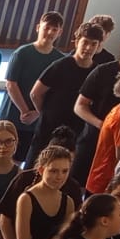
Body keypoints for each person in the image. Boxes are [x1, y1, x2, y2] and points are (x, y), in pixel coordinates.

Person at [28, 21, 103, 168]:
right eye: (85, 42)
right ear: (77, 41)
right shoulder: (61, 65)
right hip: (49, 129)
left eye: (93, 44)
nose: (88, 48)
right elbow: (35, 93)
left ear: (99, 46)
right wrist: (45, 113)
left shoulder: (97, 73)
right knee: (36, 168)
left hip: (76, 131)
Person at [1, 11, 65, 156]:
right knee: (3, 157)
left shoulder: (60, 60)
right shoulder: (22, 53)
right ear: (38, 28)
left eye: (54, 29)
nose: (49, 32)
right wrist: (24, 111)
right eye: (46, 28)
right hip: (13, 115)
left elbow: (56, 93)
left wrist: (37, 113)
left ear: (59, 32)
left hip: (38, 121)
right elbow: (11, 84)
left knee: (27, 160)